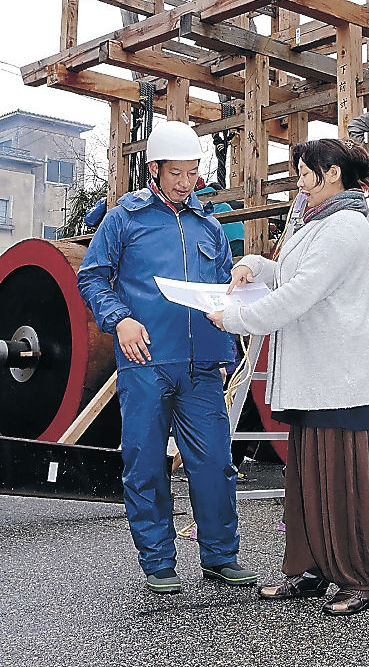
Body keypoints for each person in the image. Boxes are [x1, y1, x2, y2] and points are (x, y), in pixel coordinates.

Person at [207, 138, 369, 617]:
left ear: (332, 175)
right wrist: (251, 265)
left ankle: (358, 578)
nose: (300, 182)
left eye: (306, 173)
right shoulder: (317, 222)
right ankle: (310, 570)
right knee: (309, 479)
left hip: (340, 376)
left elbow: (300, 293)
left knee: (344, 481)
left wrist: (234, 319)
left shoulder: (348, 225)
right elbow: (287, 273)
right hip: (315, 373)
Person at [77, 120, 255, 595]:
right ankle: (158, 562)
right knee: (145, 462)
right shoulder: (125, 218)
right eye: (176, 172)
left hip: (201, 367)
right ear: (154, 168)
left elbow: (220, 292)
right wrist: (120, 319)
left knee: (215, 463)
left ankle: (221, 556)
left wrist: (226, 335)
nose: (186, 182)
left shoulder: (210, 226)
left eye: (193, 172)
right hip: (146, 361)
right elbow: (92, 277)